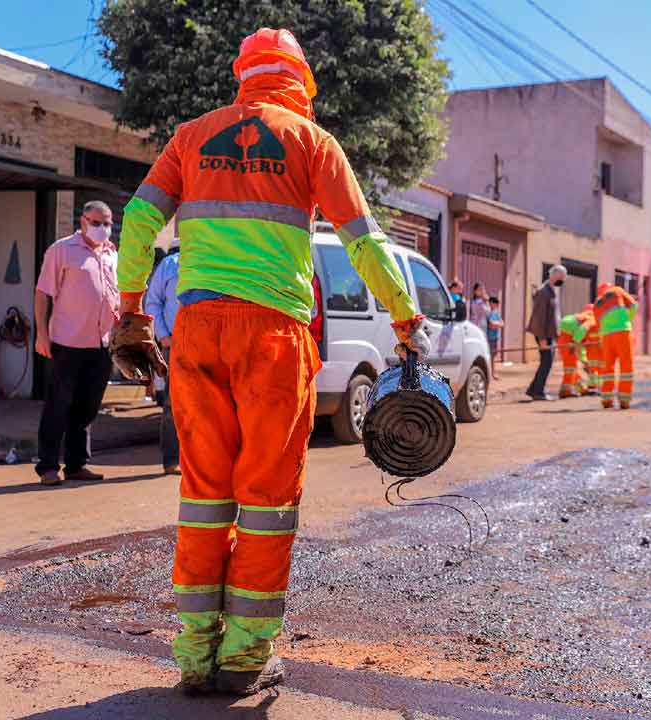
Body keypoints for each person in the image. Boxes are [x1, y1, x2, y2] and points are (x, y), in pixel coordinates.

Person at [110, 28, 428, 697]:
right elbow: (363, 240)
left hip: (195, 330)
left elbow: (137, 224)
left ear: (241, 76)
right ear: (301, 84)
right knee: (266, 500)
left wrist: (134, 309)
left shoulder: (193, 136)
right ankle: (245, 658)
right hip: (273, 338)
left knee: (203, 494)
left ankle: (196, 657)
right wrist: (403, 316)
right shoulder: (314, 143)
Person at [32, 200, 119, 486]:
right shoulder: (61, 250)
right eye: (97, 223)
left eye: (107, 223)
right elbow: (43, 293)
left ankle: (76, 464)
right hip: (67, 342)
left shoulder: (111, 253)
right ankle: (47, 466)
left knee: (88, 407)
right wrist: (42, 335)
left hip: (102, 344)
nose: (103, 229)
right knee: (59, 405)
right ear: (83, 221)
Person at [144, 237, 181, 475]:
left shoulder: (215, 263)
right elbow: (153, 302)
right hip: (174, 345)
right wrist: (163, 335)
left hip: (209, 345)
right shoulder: (170, 265)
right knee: (173, 404)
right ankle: (172, 460)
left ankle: (203, 461)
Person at [525, 265, 566, 400]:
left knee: (547, 362)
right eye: (562, 276)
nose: (563, 279)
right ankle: (537, 391)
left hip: (549, 334)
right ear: (554, 275)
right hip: (544, 334)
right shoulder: (544, 292)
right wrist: (542, 339)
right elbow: (539, 317)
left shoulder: (552, 290)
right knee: (546, 362)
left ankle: (534, 389)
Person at [594, 282, 637, 409]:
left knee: (607, 367)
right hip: (622, 332)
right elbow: (633, 306)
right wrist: (627, 319)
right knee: (626, 364)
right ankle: (624, 400)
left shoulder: (597, 303)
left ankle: (606, 400)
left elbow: (597, 325)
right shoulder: (617, 290)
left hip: (606, 336)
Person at [556, 307, 597, 398]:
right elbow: (582, 330)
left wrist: (583, 360)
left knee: (572, 367)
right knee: (570, 367)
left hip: (565, 338)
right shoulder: (592, 320)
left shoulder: (584, 316)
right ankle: (566, 391)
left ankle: (581, 388)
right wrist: (574, 343)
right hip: (569, 340)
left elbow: (581, 346)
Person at [486, 296, 503, 378]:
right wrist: (497, 324)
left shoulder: (496, 313)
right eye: (495, 303)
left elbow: (502, 323)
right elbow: (490, 324)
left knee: (493, 356)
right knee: (490, 356)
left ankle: (492, 373)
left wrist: (496, 324)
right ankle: (491, 373)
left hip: (495, 337)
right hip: (489, 337)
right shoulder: (489, 313)